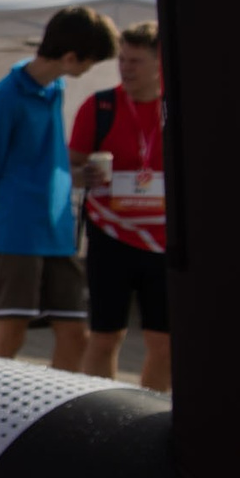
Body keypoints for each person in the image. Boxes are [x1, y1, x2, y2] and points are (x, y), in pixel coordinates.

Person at [0, 5, 117, 369]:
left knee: (75, 334)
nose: (90, 69)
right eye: (90, 62)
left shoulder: (54, 88)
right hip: (18, 230)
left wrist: (74, 177)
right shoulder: (6, 97)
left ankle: (65, 405)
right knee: (11, 330)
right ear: (71, 57)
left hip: (57, 231)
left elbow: (37, 159)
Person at [72, 20, 169, 390]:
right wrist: (84, 175)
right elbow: (70, 168)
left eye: (136, 61)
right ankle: (100, 412)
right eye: (122, 60)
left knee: (163, 342)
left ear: (160, 63)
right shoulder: (100, 106)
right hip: (109, 236)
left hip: (163, 242)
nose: (126, 68)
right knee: (104, 336)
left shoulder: (173, 107)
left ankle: (150, 413)